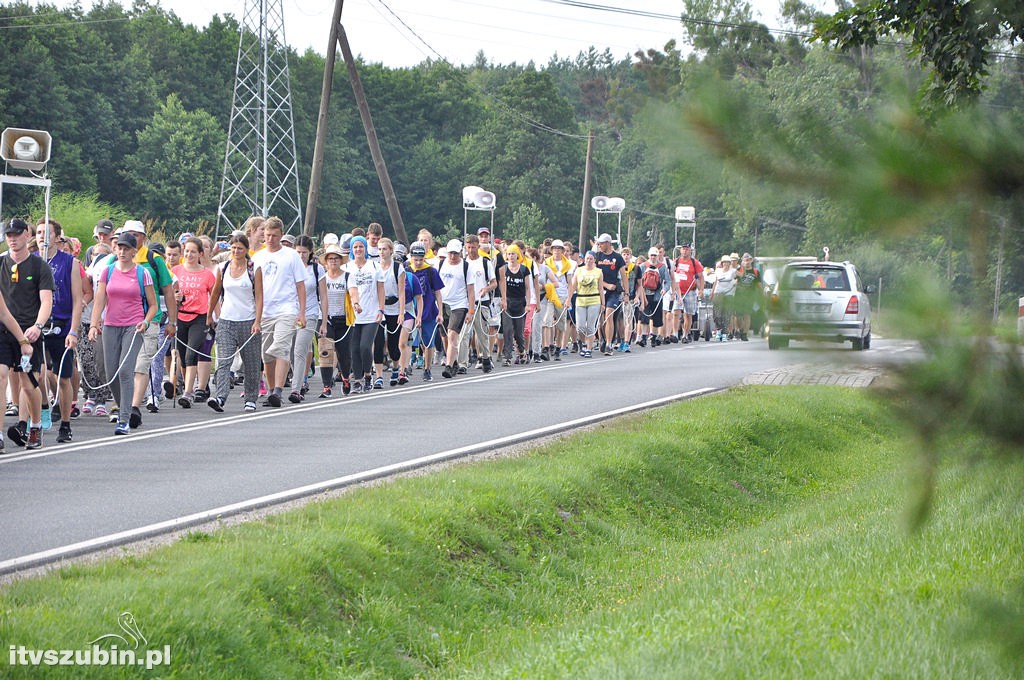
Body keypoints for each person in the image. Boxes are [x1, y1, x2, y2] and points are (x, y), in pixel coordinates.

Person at [88, 233, 157, 436]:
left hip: (133, 326)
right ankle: (122, 405)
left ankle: (124, 419)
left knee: (126, 370)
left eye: (127, 249)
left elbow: (152, 305)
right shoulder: (107, 272)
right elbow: (99, 299)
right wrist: (94, 324)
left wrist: (145, 321)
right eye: (119, 248)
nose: (122, 252)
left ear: (134, 251)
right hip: (110, 326)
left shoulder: (142, 273)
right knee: (111, 373)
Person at [0, 218, 54, 450]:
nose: (12, 239)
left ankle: (35, 425)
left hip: (29, 330)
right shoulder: (1, 263)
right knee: (1, 376)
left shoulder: (39, 266)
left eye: (16, 234)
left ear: (26, 235)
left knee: (28, 382)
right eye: (8, 235)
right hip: (3, 329)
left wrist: (38, 326)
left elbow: (46, 301)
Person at [117, 221, 176, 429]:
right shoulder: (115, 260)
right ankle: (123, 404)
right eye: (128, 234)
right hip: (123, 321)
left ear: (143, 237)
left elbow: (168, 290)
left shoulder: (154, 259)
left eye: (136, 234)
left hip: (150, 319)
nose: (132, 238)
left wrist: (172, 321)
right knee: (124, 366)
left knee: (142, 363)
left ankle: (133, 407)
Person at [33, 218, 83, 443]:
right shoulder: (31, 261)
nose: (42, 236)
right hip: (36, 327)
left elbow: (77, 299)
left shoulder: (69, 262)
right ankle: (41, 411)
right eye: (39, 232)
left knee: (63, 378)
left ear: (56, 236)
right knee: (36, 375)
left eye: (47, 232)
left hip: (61, 326)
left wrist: (73, 330)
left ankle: (65, 423)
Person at [252, 217, 307, 407]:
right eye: (267, 235)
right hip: (265, 310)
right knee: (267, 354)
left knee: (281, 347)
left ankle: (278, 390)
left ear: (281, 235)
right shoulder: (257, 257)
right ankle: (270, 390)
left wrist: (302, 313)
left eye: (275, 236)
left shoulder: (291, 255)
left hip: (287, 309)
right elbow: (252, 287)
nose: (270, 239)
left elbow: (301, 285)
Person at [207, 233, 263, 412]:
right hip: (226, 320)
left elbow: (260, 296)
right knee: (224, 361)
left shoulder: (254, 268)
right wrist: (210, 315)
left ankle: (250, 398)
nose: (236, 251)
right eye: (233, 248)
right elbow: (216, 293)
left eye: (240, 248)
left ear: (246, 250)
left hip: (248, 320)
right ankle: (220, 397)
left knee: (251, 362)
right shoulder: (223, 267)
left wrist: (258, 320)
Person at [289, 235, 328, 402]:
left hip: (310, 313)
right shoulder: (289, 267)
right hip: (290, 313)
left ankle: (296, 389)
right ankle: (299, 379)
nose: (301, 255)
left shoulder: (316, 269)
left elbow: (324, 296)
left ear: (310, 252)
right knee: (289, 351)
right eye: (298, 252)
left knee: (300, 350)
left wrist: (324, 321)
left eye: (304, 252)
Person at [346, 235, 385, 393]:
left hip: (371, 313)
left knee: (365, 347)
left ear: (365, 248)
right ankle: (357, 380)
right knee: (354, 349)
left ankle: (368, 375)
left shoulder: (374, 266)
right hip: (354, 316)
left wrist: (381, 309)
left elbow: (381, 289)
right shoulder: (347, 268)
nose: (358, 250)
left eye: (361, 246)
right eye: (355, 247)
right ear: (351, 250)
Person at [317, 242, 353, 397]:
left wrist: (356, 303)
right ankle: (326, 386)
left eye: (336, 258)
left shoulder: (347, 277)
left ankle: (345, 377)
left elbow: (353, 291)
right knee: (325, 352)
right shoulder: (322, 277)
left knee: (344, 354)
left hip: (343, 320)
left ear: (341, 260)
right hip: (325, 318)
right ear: (326, 261)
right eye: (330, 258)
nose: (333, 261)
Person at [437, 239, 476, 379]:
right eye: (450, 253)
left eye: (455, 253)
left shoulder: (466, 267)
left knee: (453, 333)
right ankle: (453, 362)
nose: (453, 256)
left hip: (459, 304)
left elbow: (471, 291)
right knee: (445, 337)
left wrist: (470, 311)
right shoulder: (441, 264)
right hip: (442, 303)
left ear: (460, 252)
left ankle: (448, 366)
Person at [406, 242, 444, 382]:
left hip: (428, 310)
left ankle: (427, 368)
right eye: (415, 259)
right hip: (410, 310)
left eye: (420, 259)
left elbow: (438, 293)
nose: (417, 262)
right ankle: (407, 365)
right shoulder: (407, 270)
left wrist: (440, 312)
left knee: (427, 342)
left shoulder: (430, 271)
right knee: (408, 340)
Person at [459, 234, 496, 373]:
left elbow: (494, 282)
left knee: (482, 334)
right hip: (466, 302)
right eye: (468, 247)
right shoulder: (463, 263)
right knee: (464, 334)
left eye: (473, 247)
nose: (471, 250)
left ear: (478, 247)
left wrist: (486, 288)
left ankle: (486, 357)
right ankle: (462, 363)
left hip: (482, 302)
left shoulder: (485, 262)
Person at [373, 238, 406, 386]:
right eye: (379, 249)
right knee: (378, 342)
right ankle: (379, 376)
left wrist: (401, 313)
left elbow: (401, 292)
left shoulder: (398, 268)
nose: (382, 252)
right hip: (379, 307)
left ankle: (395, 367)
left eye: (384, 249)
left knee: (393, 344)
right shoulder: (374, 267)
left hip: (394, 306)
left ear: (391, 251)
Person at [497, 245, 534, 366]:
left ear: (518, 255)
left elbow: (528, 288)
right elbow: (501, 284)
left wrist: (528, 304)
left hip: (520, 303)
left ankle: (522, 352)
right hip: (508, 302)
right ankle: (507, 356)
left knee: (519, 332)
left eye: (513, 254)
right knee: (507, 330)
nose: (511, 256)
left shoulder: (524, 270)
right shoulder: (503, 269)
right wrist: (503, 300)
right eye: (509, 254)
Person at [593, 233, 628, 356]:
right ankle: (602, 338)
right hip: (600, 290)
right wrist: (605, 285)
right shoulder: (597, 256)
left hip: (613, 291)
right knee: (601, 317)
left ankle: (609, 344)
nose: (600, 246)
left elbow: (624, 276)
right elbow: (593, 274)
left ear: (608, 243)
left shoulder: (617, 257)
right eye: (599, 244)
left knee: (609, 314)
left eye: (602, 243)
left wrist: (626, 293)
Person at [566, 251, 605, 358]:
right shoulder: (579, 271)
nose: (589, 261)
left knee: (590, 327)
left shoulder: (598, 272)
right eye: (587, 258)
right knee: (580, 326)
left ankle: (589, 348)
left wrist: (603, 303)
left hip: (594, 300)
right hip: (581, 300)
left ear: (594, 260)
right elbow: (573, 286)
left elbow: (601, 288)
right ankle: (583, 343)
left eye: (591, 258)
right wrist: (568, 299)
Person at [541, 239, 574, 361]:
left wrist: (569, 299)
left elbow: (570, 283)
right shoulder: (547, 262)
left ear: (562, 251)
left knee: (561, 325)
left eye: (559, 248)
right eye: (554, 248)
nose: (556, 251)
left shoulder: (568, 265)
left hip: (562, 295)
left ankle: (558, 347)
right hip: (549, 294)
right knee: (547, 321)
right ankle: (546, 347)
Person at [672, 243, 704, 344]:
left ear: (690, 251)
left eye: (686, 249)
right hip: (678, 290)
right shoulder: (676, 262)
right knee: (676, 312)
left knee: (688, 314)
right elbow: (672, 274)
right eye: (683, 249)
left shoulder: (695, 263)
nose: (684, 251)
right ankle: (675, 334)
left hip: (690, 291)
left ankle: (685, 334)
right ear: (680, 250)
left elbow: (701, 276)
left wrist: (701, 290)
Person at [733, 253, 761, 341]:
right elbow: (734, 281)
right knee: (738, 316)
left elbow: (758, 285)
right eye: (745, 260)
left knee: (747, 315)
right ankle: (740, 329)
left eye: (749, 260)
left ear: (751, 261)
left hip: (749, 296)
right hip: (739, 296)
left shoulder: (756, 272)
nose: (747, 262)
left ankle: (744, 334)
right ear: (743, 261)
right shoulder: (739, 270)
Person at [711, 254, 738, 341]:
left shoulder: (733, 271)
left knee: (726, 314)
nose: (726, 264)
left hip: (729, 294)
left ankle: (725, 333)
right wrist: (712, 293)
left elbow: (741, 275)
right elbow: (715, 282)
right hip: (718, 293)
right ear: (722, 263)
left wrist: (736, 282)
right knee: (717, 314)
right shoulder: (718, 271)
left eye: (728, 263)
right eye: (724, 262)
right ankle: (719, 330)